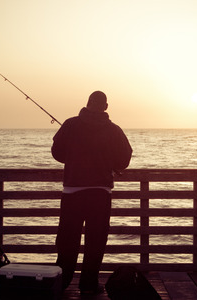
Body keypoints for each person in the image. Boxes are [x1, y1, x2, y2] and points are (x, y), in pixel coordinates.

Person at [51, 91, 133, 294]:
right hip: (100, 193)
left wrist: (73, 158)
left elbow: (56, 152)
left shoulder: (70, 125)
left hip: (72, 192)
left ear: (87, 104)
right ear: (106, 107)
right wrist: (110, 164)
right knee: (96, 241)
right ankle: (88, 284)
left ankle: (61, 282)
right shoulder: (114, 130)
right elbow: (125, 158)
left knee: (67, 240)